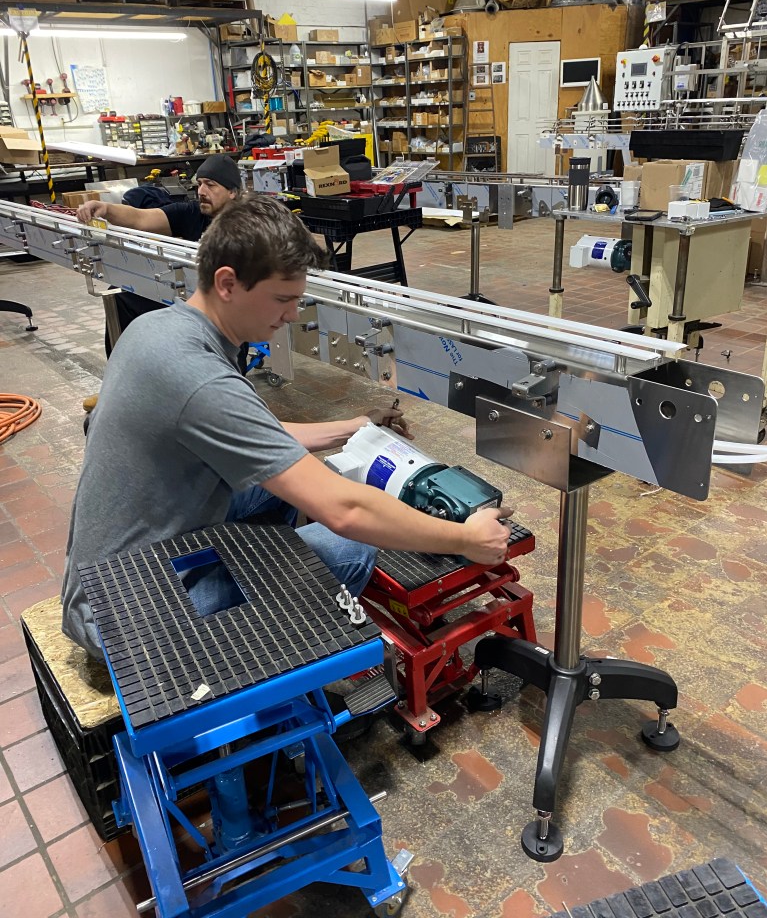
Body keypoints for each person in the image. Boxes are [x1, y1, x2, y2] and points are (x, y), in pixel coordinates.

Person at [61, 194, 513, 661]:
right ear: (227, 283)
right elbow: (346, 513)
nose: (294, 314)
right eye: (283, 298)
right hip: (127, 619)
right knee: (349, 544)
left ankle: (262, 590)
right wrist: (466, 538)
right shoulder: (198, 377)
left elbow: (256, 433)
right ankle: (263, 655)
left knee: (296, 484)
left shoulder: (160, 328)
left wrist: (355, 426)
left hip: (111, 576)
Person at [76, 155, 244, 357]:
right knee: (123, 295)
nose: (201, 191)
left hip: (228, 305)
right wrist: (106, 209)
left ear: (232, 192)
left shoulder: (249, 224)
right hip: (189, 294)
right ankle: (127, 368)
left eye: (210, 185)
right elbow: (140, 218)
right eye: (199, 184)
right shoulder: (192, 213)